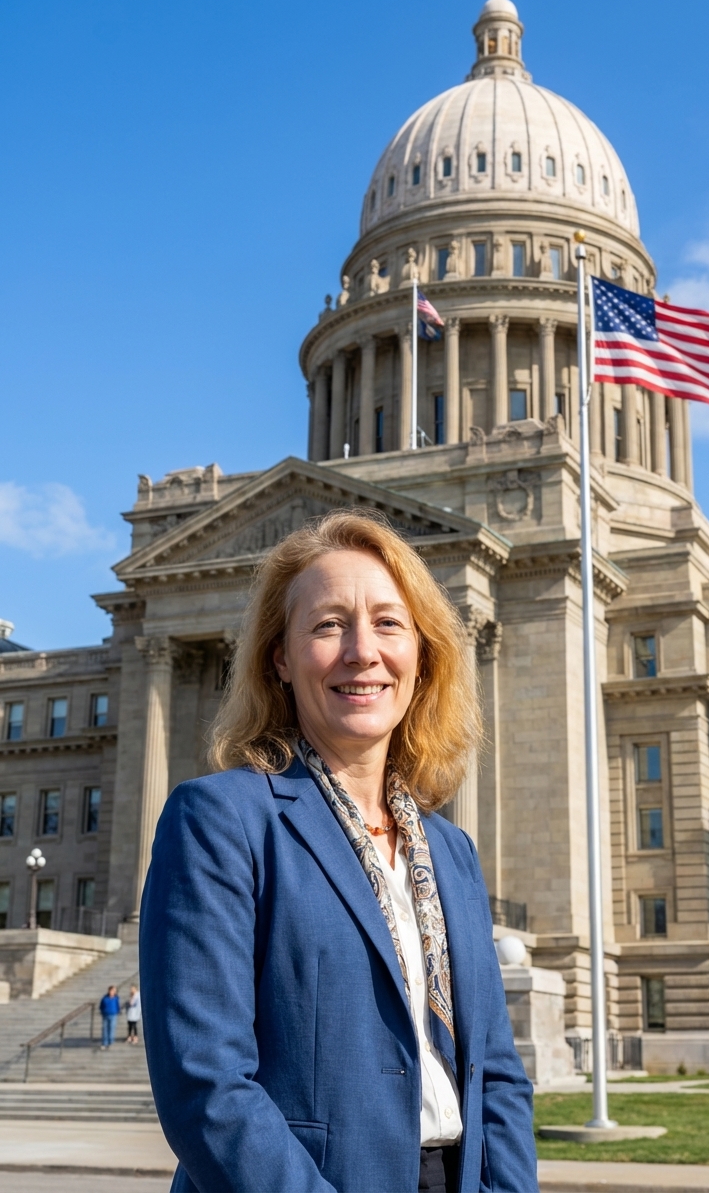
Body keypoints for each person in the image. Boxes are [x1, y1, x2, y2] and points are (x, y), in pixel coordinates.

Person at [141, 511, 538, 1193]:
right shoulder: (221, 819)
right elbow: (205, 1084)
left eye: (388, 623)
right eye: (327, 625)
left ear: (422, 653)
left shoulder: (450, 850)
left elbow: (494, 1072)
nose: (362, 651)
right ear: (281, 657)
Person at [99, 985, 120, 1049]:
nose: (113, 992)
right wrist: (103, 1011)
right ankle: (104, 1042)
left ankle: (110, 1042)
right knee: (105, 1029)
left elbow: (117, 1005)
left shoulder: (116, 998)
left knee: (112, 1028)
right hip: (105, 1014)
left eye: (114, 991)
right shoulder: (105, 998)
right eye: (112, 990)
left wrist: (117, 1011)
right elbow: (101, 1006)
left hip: (113, 1015)